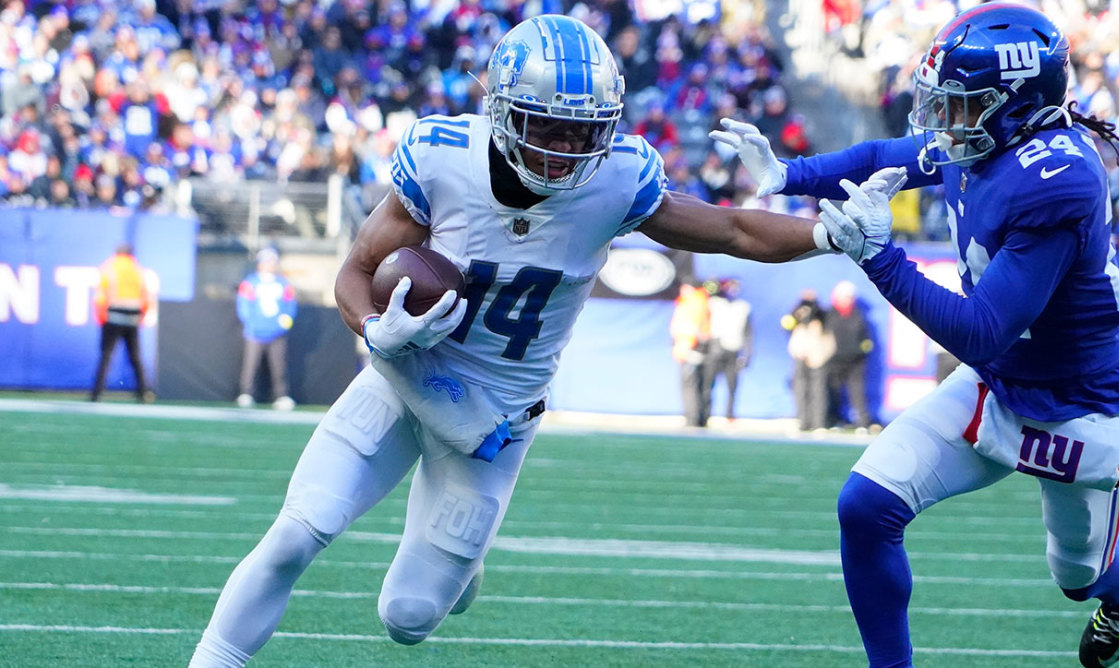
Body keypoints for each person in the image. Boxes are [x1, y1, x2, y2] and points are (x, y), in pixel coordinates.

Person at [188, 15, 840, 667]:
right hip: (404, 380)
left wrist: (826, 234)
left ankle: (464, 557)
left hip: (491, 421)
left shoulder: (617, 180)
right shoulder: (444, 161)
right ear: (500, 112)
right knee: (295, 535)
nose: (564, 149)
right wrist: (377, 328)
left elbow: (732, 231)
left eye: (582, 131)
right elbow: (355, 275)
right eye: (547, 126)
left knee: (407, 618)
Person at [713, 5, 1119, 667]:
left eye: (963, 105)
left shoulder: (1056, 177)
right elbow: (878, 156)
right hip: (1001, 384)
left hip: (1078, 406)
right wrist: (786, 174)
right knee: (865, 508)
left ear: (1016, 106)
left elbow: (979, 331)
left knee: (1079, 576)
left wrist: (877, 257)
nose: (943, 122)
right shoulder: (983, 142)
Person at [235, 247, 298, 411]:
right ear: (260, 263)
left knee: (279, 365)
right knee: (250, 364)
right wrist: (252, 324)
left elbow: (290, 306)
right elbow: (244, 306)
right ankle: (247, 393)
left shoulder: (283, 284)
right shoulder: (250, 282)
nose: (270, 264)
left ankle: (281, 395)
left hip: (277, 332)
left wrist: (282, 325)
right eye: (267, 261)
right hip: (255, 332)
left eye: (273, 261)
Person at [90, 242, 153, 403]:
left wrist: (101, 315)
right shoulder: (137, 270)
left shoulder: (110, 267)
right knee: (135, 356)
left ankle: (97, 393)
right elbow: (145, 295)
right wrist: (141, 315)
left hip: (112, 316)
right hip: (133, 317)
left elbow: (100, 295)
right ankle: (143, 392)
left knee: (106, 355)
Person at [824, 280, 875, 430]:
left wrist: (863, 350)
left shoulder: (858, 315)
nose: (848, 299)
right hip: (834, 360)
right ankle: (833, 420)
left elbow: (865, 337)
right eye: (846, 296)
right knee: (833, 391)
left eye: (850, 297)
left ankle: (862, 422)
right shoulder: (828, 314)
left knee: (858, 392)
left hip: (856, 360)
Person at [781, 288, 833, 431]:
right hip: (799, 354)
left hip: (817, 356)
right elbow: (787, 327)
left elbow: (828, 336)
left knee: (818, 390)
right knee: (800, 389)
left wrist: (822, 354)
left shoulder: (822, 314)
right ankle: (803, 421)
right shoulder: (795, 312)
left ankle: (818, 422)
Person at [705, 277, 753, 421]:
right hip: (715, 350)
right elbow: (707, 288)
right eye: (730, 287)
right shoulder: (714, 303)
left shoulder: (743, 307)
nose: (733, 291)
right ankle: (705, 415)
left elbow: (748, 333)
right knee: (708, 384)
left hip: (734, 349)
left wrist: (748, 354)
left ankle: (729, 415)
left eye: (735, 288)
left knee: (732, 386)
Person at [670, 281, 712, 427]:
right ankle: (699, 417)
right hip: (696, 349)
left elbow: (690, 328)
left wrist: (684, 348)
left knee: (690, 386)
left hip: (690, 350)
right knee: (699, 386)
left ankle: (692, 418)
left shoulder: (693, 303)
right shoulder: (700, 301)